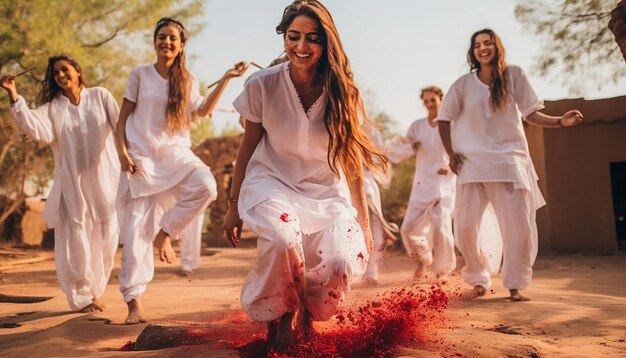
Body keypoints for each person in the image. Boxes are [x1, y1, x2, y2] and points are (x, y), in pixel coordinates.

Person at [224, 0, 385, 353]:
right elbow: (248, 145)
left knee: (341, 259)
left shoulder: (344, 91)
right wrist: (233, 205)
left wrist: (363, 219)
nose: (301, 46)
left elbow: (351, 159)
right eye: (293, 36)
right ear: (283, 38)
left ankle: (306, 317)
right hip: (271, 182)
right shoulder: (261, 84)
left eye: (312, 38)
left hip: (326, 190)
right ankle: (279, 321)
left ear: (327, 42)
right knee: (284, 240)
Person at [116, 17, 248, 324]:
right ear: (155, 42)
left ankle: (164, 234)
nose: (166, 42)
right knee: (135, 232)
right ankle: (133, 304)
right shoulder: (140, 75)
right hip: (142, 158)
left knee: (207, 186)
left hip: (175, 154)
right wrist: (122, 152)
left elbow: (202, 110)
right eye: (161, 37)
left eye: (172, 38)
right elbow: (122, 119)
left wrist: (227, 77)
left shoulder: (188, 80)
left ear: (182, 44)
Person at [437, 28, 583, 301]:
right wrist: (451, 154)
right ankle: (478, 278)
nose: (483, 48)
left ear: (497, 46)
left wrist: (559, 121)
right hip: (471, 165)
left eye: (488, 42)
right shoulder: (462, 85)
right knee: (466, 227)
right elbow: (444, 119)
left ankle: (515, 285)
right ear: (473, 51)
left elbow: (532, 113)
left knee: (518, 228)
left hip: (508, 163)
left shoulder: (514, 75)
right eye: (478, 44)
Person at [1, 54, 120, 312]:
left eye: (64, 69)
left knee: (108, 236)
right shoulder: (54, 107)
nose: (60, 75)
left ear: (77, 70)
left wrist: (130, 158)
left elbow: (122, 127)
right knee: (76, 237)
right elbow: (34, 128)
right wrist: (13, 94)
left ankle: (95, 291)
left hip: (106, 181)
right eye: (55, 73)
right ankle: (82, 296)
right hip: (72, 184)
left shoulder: (101, 96)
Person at [387, 86, 456, 280]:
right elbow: (402, 148)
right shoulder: (417, 126)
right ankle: (424, 258)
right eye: (425, 101)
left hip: (445, 183)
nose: (429, 104)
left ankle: (443, 271)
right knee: (408, 228)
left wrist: (451, 167)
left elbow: (461, 150)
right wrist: (410, 145)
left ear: (441, 99)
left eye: (432, 100)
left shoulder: (451, 124)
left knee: (442, 227)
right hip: (422, 183)